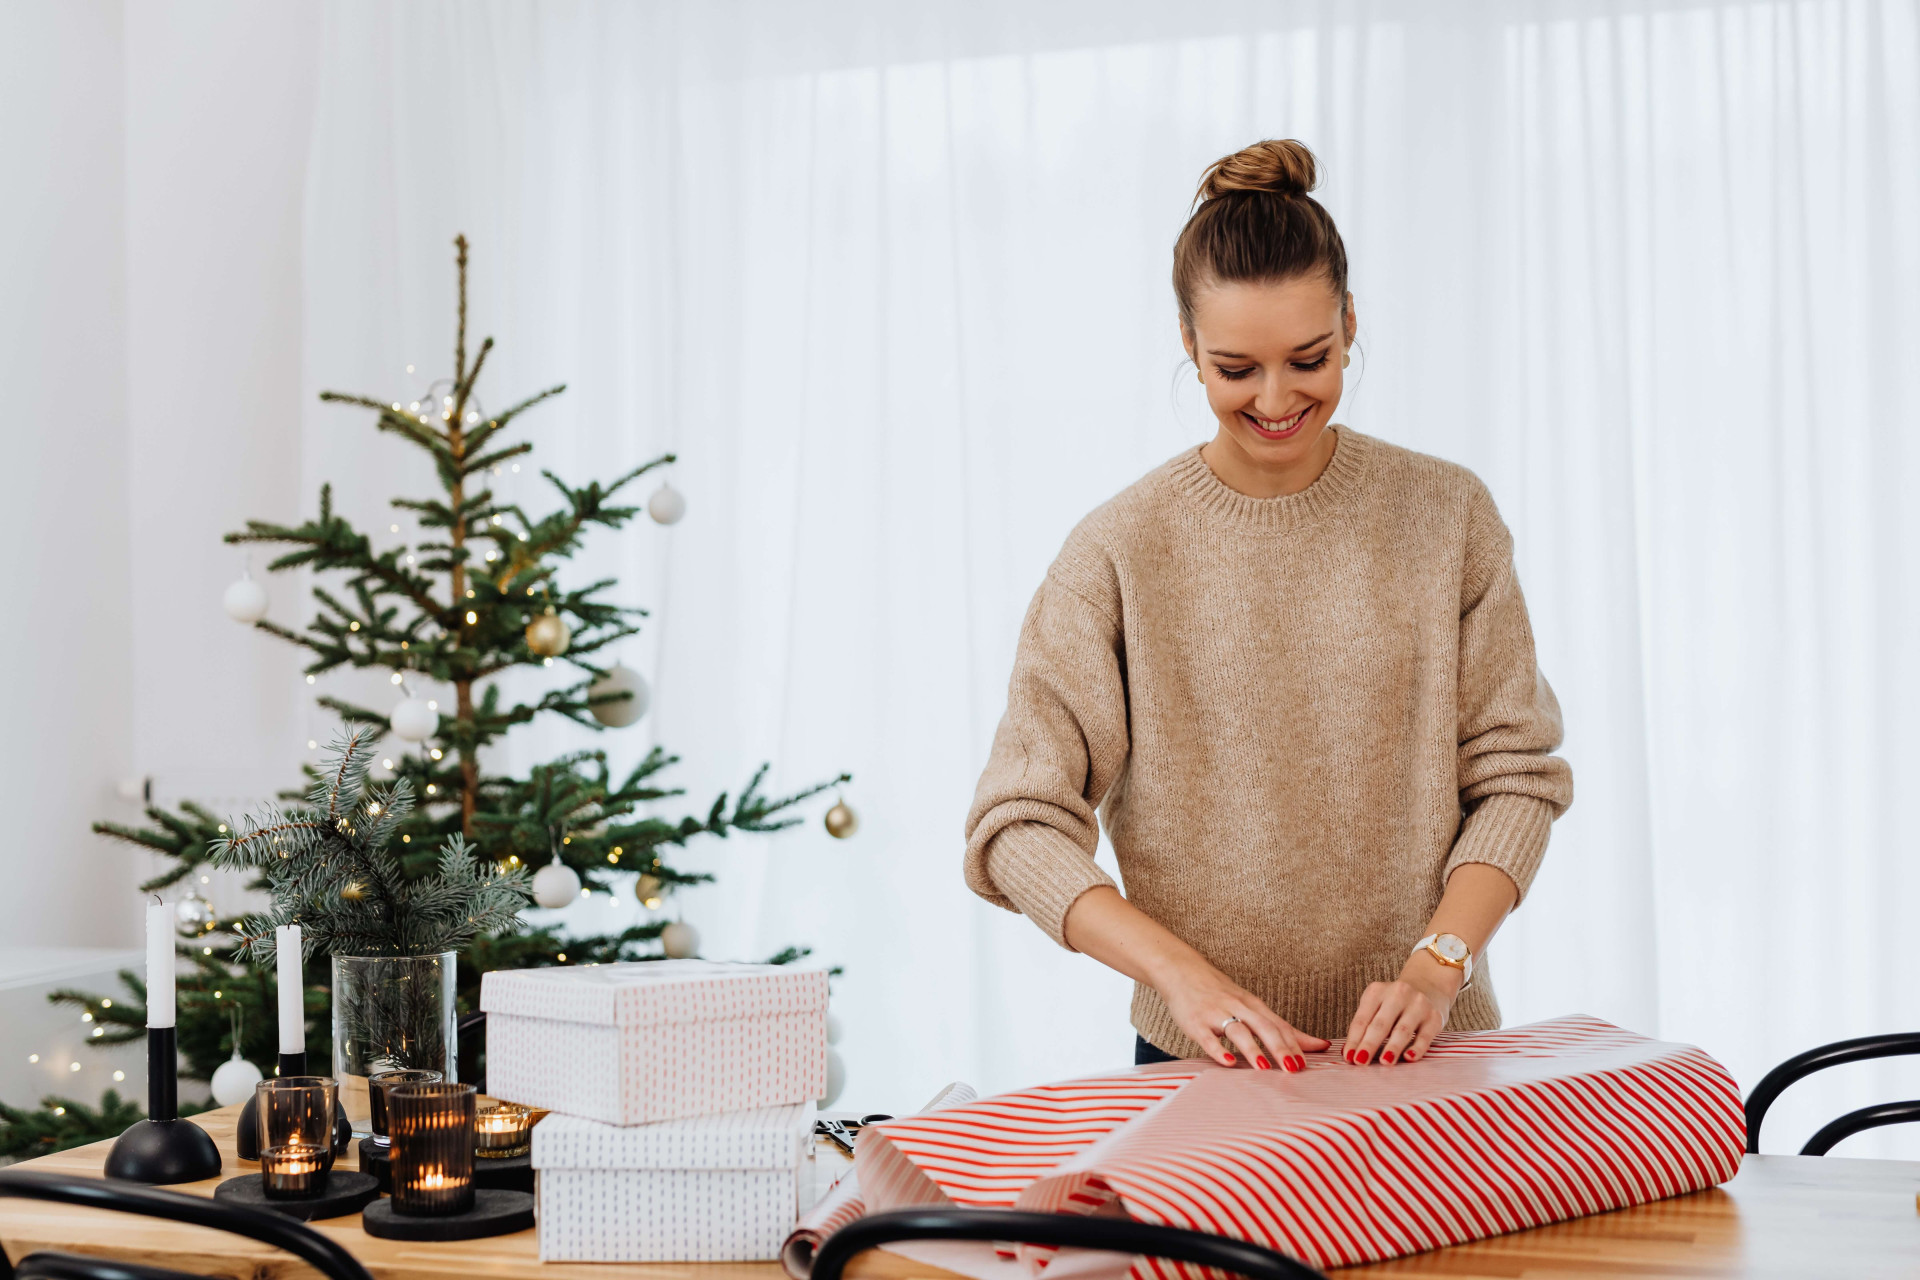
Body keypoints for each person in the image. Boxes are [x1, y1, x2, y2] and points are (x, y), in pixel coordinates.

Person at [964, 139, 1573, 1073]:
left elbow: (1516, 778)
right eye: (1235, 368)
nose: (1278, 398)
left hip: (1430, 1043)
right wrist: (1180, 979)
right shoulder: (1118, 552)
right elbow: (1017, 825)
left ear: (1352, 322)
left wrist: (1437, 965)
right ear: (1186, 346)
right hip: (1199, 1062)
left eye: (1310, 358)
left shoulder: (1448, 515)